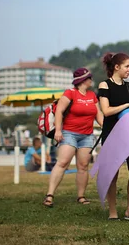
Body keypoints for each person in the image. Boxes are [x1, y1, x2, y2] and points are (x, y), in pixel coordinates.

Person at [43, 68, 103, 208]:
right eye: (89, 78)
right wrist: (58, 130)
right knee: (62, 163)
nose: (91, 80)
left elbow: (98, 114)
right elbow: (59, 111)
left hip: (87, 135)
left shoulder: (92, 95)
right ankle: (49, 195)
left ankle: (81, 196)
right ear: (82, 80)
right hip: (69, 133)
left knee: (83, 166)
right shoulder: (70, 93)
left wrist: (106, 126)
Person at [97, 53, 129, 221]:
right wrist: (127, 104)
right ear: (116, 67)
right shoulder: (105, 85)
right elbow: (106, 111)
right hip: (112, 134)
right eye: (126, 66)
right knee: (113, 173)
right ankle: (112, 212)